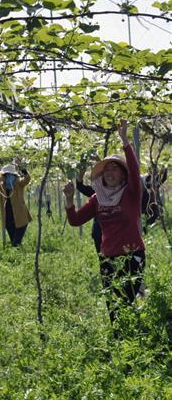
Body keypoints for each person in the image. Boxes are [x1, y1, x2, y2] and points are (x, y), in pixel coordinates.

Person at [63, 120, 145, 324]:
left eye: (115, 169)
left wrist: (125, 140)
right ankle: (118, 340)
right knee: (113, 303)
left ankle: (131, 338)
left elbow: (135, 171)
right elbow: (75, 220)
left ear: (123, 175)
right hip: (107, 257)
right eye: (106, 170)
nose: (109, 173)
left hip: (132, 254)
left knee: (126, 299)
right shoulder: (97, 198)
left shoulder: (131, 193)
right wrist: (69, 200)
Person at [0, 158, 32, 247]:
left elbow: (27, 178)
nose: (7, 177)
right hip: (8, 218)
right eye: (5, 175)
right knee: (14, 242)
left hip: (20, 217)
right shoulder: (1, 186)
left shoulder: (19, 183)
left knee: (16, 243)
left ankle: (18, 257)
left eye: (9, 175)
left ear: (14, 175)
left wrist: (21, 166)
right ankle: (18, 257)